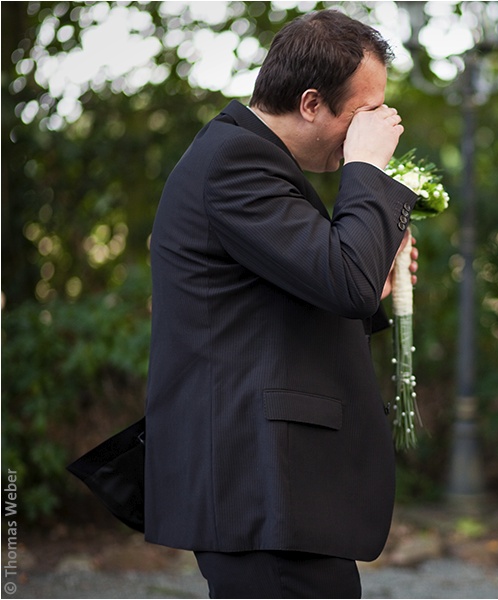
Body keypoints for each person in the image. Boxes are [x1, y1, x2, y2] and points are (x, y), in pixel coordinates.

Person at [143, 10, 420, 598]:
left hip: (278, 494)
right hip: (260, 487)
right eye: (364, 113)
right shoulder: (236, 163)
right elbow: (342, 278)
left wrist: (378, 283)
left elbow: (319, 286)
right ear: (313, 102)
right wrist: (367, 168)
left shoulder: (250, 160)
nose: (372, 128)